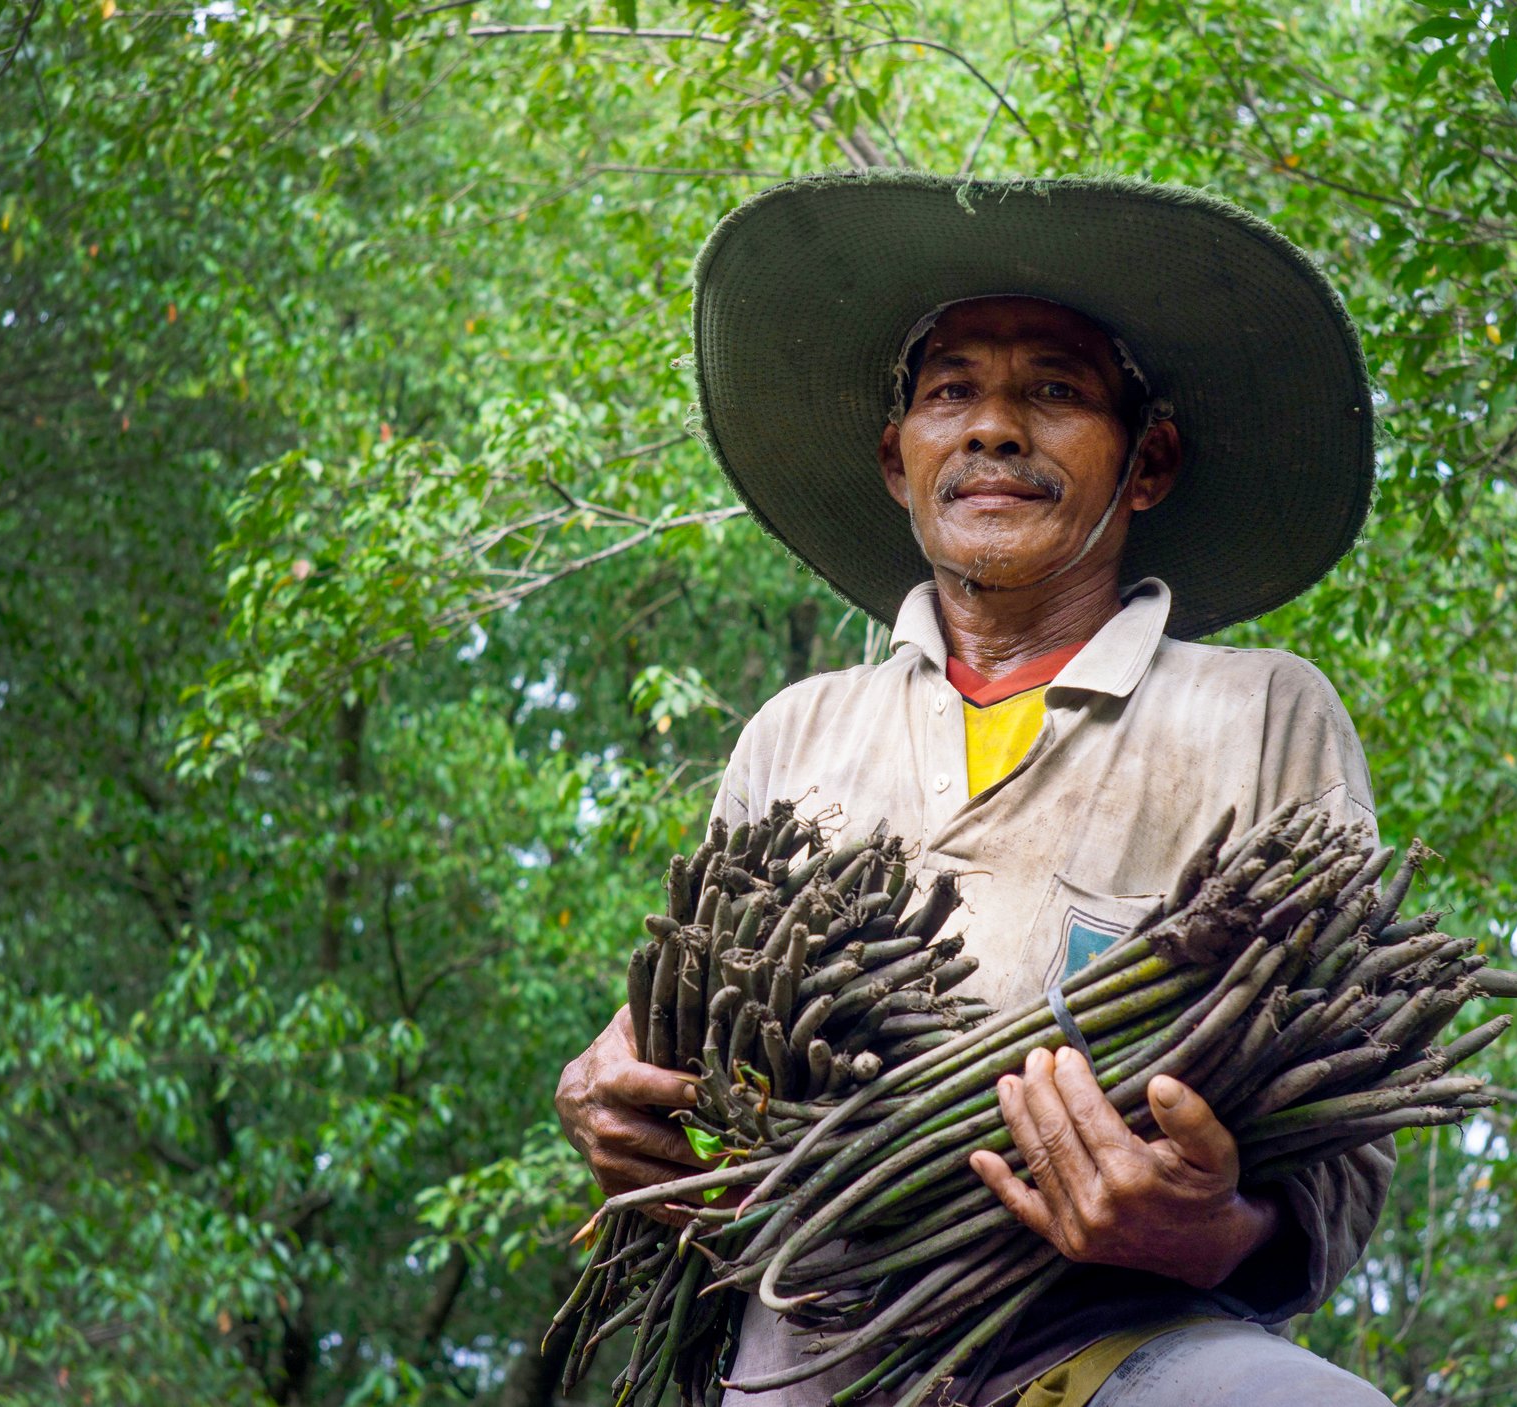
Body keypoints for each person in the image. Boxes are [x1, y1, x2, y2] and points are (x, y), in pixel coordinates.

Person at [555, 171, 1394, 1406]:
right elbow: (686, 1062)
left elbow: (1348, 1124)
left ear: (1146, 462)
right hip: (809, 1346)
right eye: (953, 394)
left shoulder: (1259, 714)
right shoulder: (797, 737)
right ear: (898, 462)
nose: (994, 429)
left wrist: (1210, 1233)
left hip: (1118, 1342)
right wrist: (619, 1102)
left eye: (1053, 392)